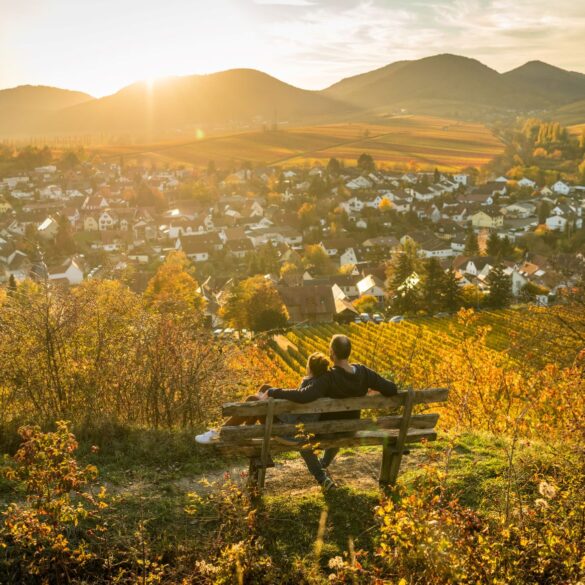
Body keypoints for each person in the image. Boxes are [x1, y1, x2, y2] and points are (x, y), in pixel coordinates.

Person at [259, 334, 397, 490]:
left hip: (326, 432)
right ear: (349, 351)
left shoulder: (329, 377)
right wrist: (371, 391)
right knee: (334, 427)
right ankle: (323, 464)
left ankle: (321, 473)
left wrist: (273, 391)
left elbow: (304, 396)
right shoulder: (364, 373)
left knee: (304, 436)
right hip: (350, 430)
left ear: (332, 352)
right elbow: (392, 388)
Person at [195, 352, 330, 444]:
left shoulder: (312, 388)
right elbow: (297, 400)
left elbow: (299, 400)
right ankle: (247, 430)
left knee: (252, 401)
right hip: (291, 423)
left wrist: (273, 394)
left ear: (310, 367)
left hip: (289, 432)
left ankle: (220, 433)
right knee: (265, 388)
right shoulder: (318, 383)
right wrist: (270, 393)